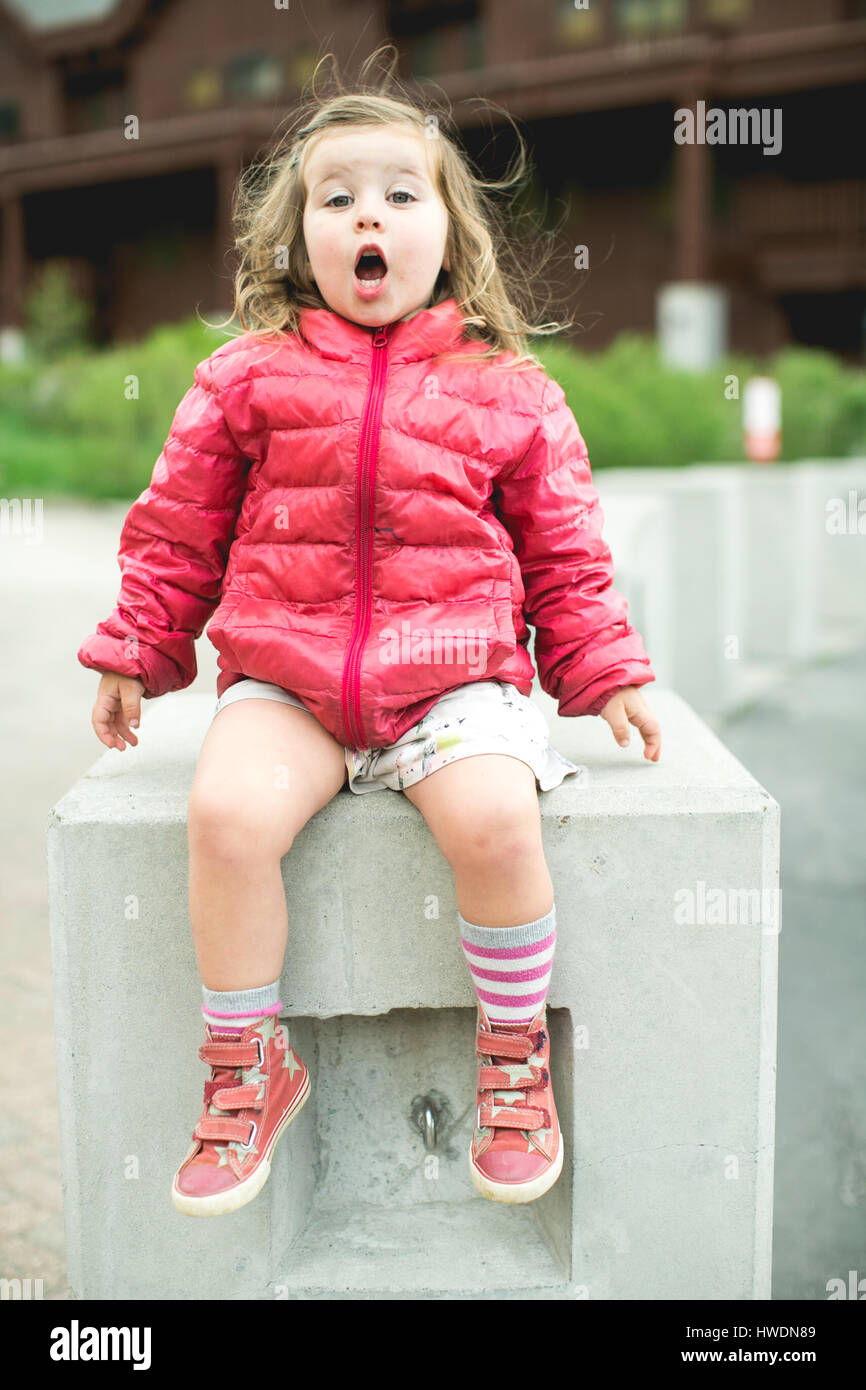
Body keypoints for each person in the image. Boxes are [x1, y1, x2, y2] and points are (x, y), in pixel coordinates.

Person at [78, 50, 661, 1219]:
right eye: (336, 198)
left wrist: (604, 674)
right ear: (299, 240)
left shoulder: (506, 389)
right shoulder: (244, 378)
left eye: (400, 193)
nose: (368, 216)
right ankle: (248, 1064)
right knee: (226, 814)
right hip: (289, 682)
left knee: (496, 818)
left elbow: (563, 549)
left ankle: (510, 1055)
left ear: (448, 230)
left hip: (455, 683)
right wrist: (137, 650)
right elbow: (177, 530)